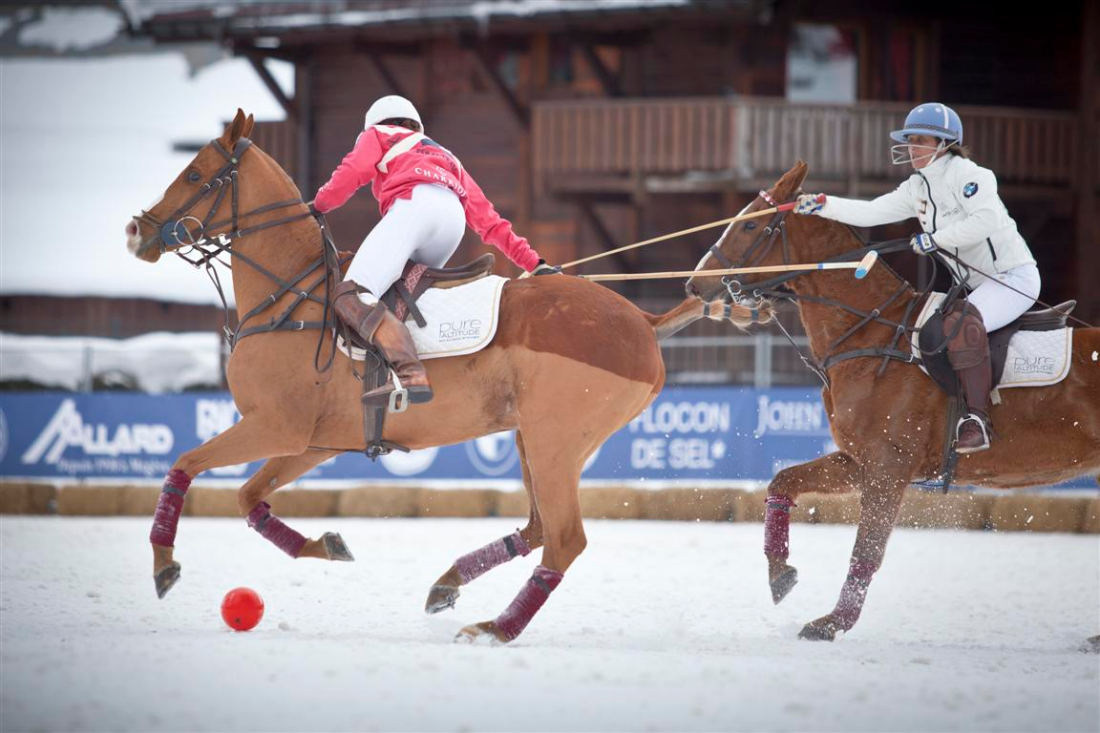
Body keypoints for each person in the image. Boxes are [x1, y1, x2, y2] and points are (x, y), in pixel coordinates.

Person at [793, 102, 1041, 453]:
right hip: (978, 285)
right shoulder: (917, 187)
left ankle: (977, 420)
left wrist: (934, 239)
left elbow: (985, 221)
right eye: (909, 140)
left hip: (1013, 279)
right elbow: (871, 211)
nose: (910, 148)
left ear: (943, 143)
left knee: (958, 327)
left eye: (919, 140)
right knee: (933, 330)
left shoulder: (971, 176)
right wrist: (824, 205)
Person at [312, 95, 559, 407]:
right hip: (451, 222)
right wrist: (535, 263)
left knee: (352, 294)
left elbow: (353, 171)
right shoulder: (447, 155)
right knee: (401, 292)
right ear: (416, 124)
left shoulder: (377, 134)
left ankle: (410, 372)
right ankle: (400, 370)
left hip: (415, 208)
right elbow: (489, 221)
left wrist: (318, 206)